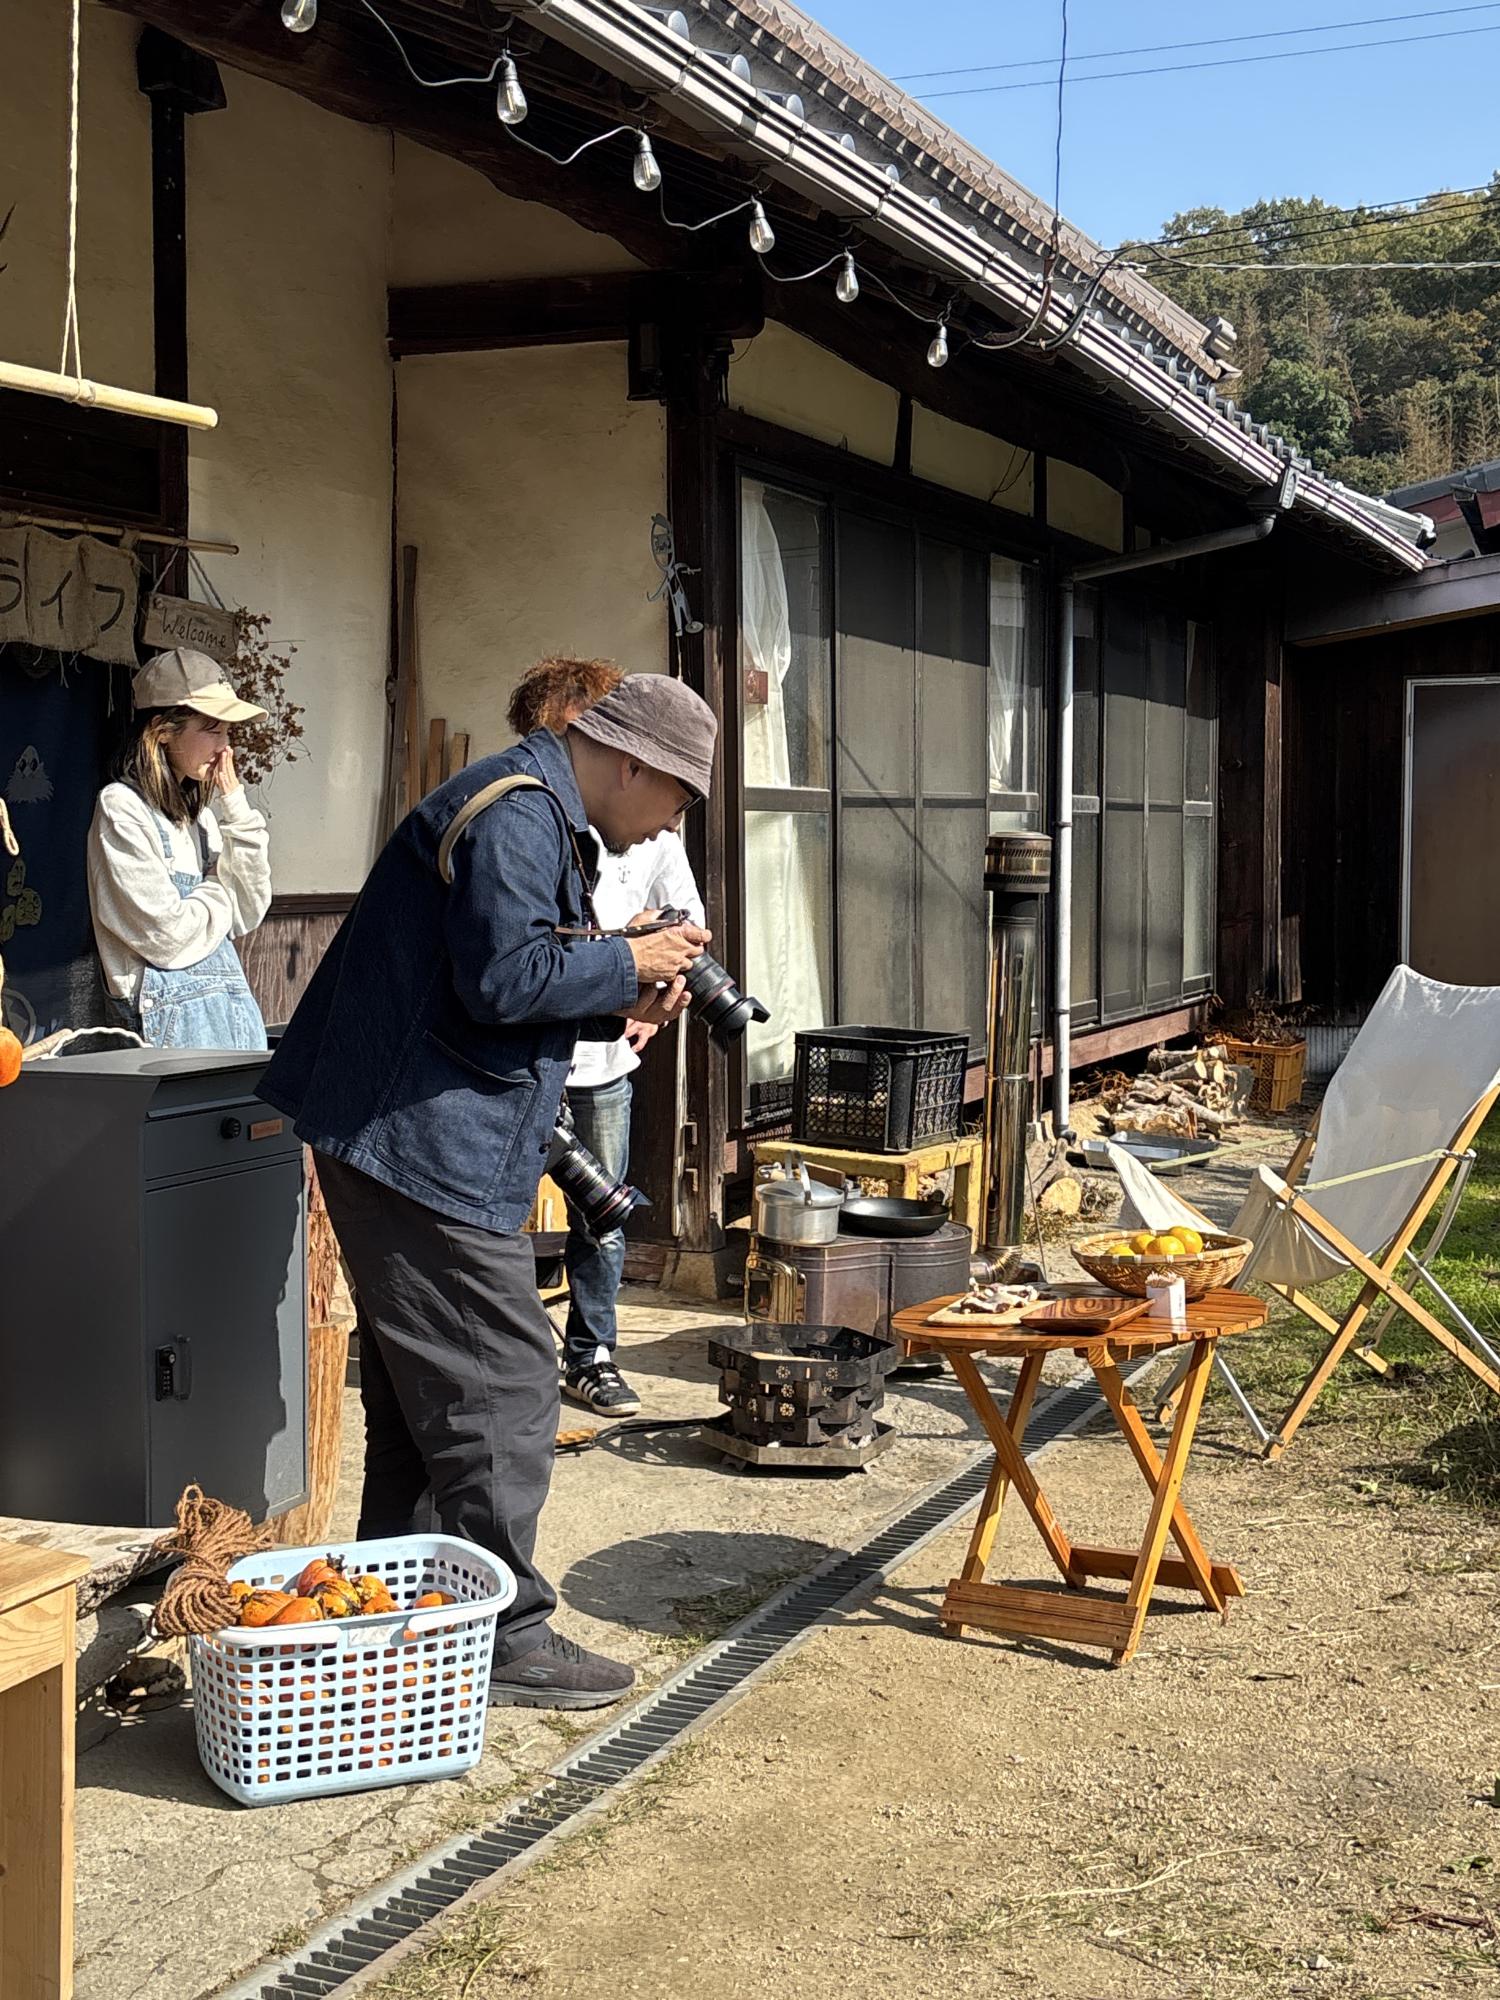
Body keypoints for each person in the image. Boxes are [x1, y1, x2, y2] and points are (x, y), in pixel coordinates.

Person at [260, 670, 716, 1710]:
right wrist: (624, 957)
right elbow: (502, 979)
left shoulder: (533, 808)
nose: (668, 826)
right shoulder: (519, 816)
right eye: (678, 801)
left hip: (415, 1131)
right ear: (635, 760)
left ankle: (395, 1613)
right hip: (417, 1140)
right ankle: (503, 1630)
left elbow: (496, 983)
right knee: (506, 1384)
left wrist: (620, 984)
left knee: (428, 1396)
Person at [506, 659, 706, 1418]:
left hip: (600, 1060)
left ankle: (591, 1355)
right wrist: (614, 962)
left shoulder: (646, 828)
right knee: (497, 1215)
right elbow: (513, 968)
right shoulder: (525, 818)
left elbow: (685, 919)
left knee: (604, 1212)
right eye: (554, 732)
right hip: (524, 1057)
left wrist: (645, 971)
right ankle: (515, 1362)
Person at [87, 649, 272, 1050]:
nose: (225, 748)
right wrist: (219, 888)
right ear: (162, 731)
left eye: (228, 732)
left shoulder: (202, 819)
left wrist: (235, 805)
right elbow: (166, 937)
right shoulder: (121, 809)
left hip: (231, 1019)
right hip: (162, 1031)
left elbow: (250, 910)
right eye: (211, 729)